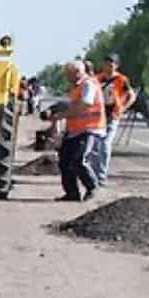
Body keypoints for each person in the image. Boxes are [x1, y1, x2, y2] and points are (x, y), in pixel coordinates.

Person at [48, 60, 103, 201]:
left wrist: (62, 115)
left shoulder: (88, 84)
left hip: (89, 128)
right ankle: (72, 193)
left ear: (78, 72)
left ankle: (92, 186)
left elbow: (85, 104)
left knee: (78, 160)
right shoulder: (76, 87)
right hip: (75, 130)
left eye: (68, 74)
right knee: (65, 161)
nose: (66, 77)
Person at [92, 53, 136, 185]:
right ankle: (93, 174)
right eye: (106, 64)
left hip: (113, 115)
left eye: (111, 65)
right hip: (98, 115)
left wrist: (123, 108)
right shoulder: (97, 79)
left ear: (116, 66)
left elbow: (132, 95)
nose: (107, 67)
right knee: (95, 145)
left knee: (105, 144)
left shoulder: (121, 80)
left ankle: (101, 176)